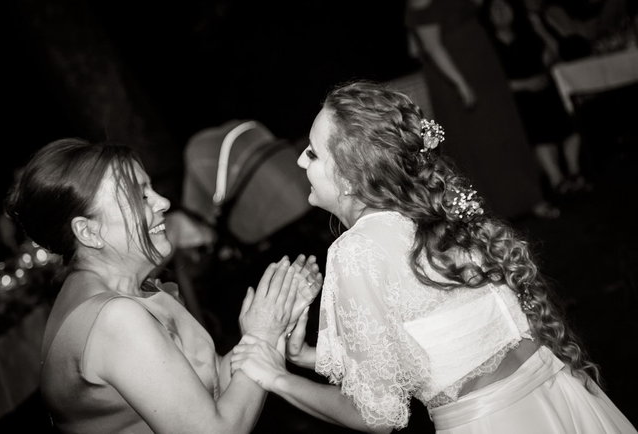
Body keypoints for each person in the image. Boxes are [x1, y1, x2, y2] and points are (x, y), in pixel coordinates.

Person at [229, 81, 637, 433]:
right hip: (563, 399)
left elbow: (377, 417)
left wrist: (276, 377)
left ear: (351, 178)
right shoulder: (436, 213)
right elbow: (444, 348)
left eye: (313, 153)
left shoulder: (358, 249)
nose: (300, 160)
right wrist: (307, 357)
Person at [4, 137, 322, 433]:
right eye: (140, 196)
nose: (163, 202)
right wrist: (262, 336)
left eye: (151, 188)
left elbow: (210, 388)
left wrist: (273, 324)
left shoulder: (130, 293)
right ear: (89, 232)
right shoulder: (113, 319)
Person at [404, 0, 559, 219]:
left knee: (507, 132)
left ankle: (529, 197)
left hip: (485, 74)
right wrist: (461, 84)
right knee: (480, 142)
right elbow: (431, 48)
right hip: (459, 79)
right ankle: (493, 210)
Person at [482, 0, 591, 195]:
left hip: (545, 91)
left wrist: (540, 28)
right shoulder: (488, 46)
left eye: (505, 6)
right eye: (495, 8)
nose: (501, 12)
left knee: (563, 116)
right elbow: (490, 83)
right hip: (516, 96)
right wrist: (524, 85)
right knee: (536, 122)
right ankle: (557, 178)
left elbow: (553, 55)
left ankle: (574, 172)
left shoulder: (527, 35)